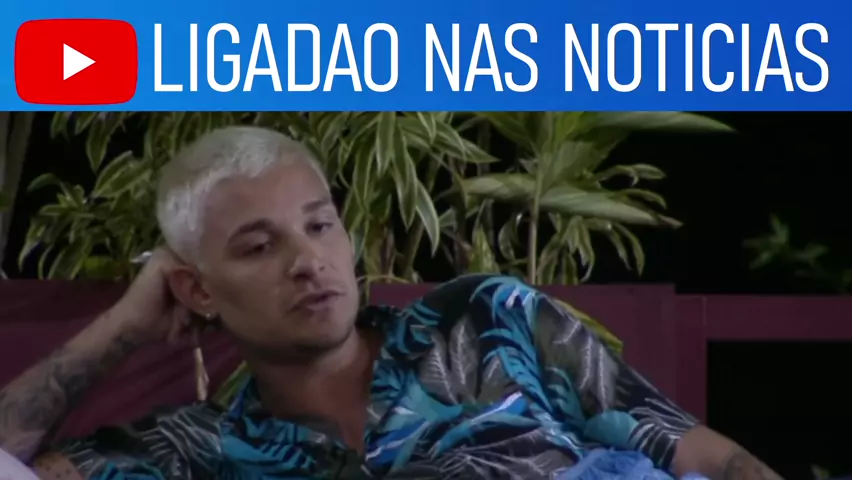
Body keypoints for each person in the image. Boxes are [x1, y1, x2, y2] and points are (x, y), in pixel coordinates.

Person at [0, 126, 782, 479]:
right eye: (260, 247)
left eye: (320, 225)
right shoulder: (197, 449)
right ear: (198, 289)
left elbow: (701, 456)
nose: (308, 262)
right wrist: (122, 327)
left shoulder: (484, 321)